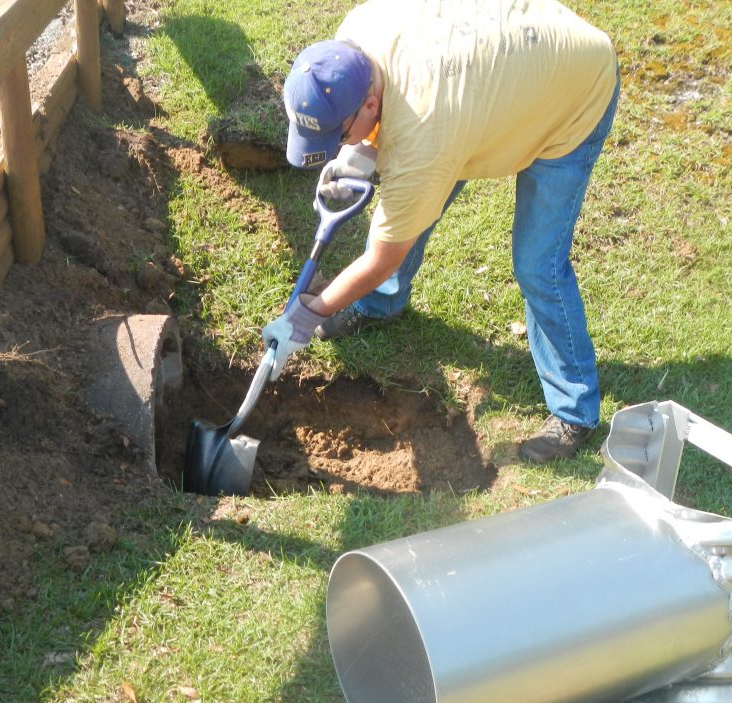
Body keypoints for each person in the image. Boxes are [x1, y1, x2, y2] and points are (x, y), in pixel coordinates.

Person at [262, 0, 620, 462]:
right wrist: (362, 150)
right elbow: (398, 138)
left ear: (369, 103)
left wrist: (310, 314)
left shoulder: (423, 133)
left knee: (538, 265)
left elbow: (383, 254)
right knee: (414, 200)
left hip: (572, 89)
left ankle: (575, 411)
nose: (338, 146)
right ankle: (380, 302)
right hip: (495, 78)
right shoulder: (356, 35)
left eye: (339, 134)